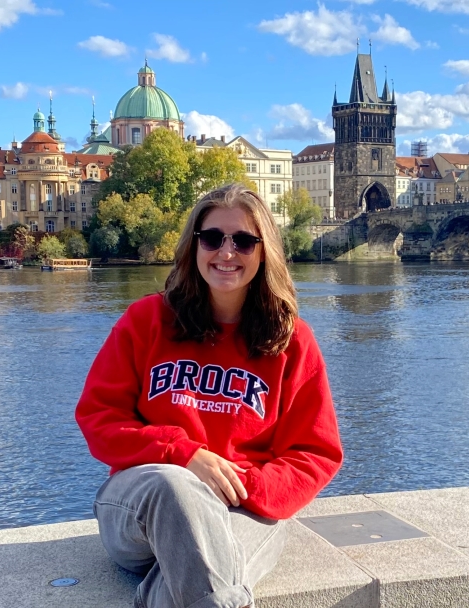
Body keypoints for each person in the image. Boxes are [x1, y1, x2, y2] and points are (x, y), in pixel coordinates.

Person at [75, 184, 343, 608]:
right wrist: (181, 454)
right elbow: (98, 418)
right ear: (194, 245)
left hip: (243, 507)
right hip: (142, 505)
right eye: (213, 237)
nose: (226, 252)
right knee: (177, 487)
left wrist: (241, 486)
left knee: (204, 580)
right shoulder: (147, 320)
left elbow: (315, 452)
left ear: (264, 250)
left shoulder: (292, 341)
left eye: (243, 241)